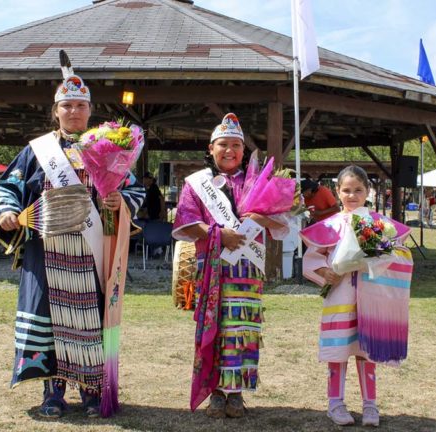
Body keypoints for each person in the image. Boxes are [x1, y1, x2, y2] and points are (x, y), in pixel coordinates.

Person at [0, 52, 145, 419]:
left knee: (89, 321)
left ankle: (91, 392)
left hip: (92, 253)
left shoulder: (106, 148)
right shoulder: (37, 151)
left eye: (80, 105)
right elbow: (8, 185)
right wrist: (8, 212)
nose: (73, 111)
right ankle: (53, 393)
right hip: (47, 252)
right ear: (55, 110)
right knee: (50, 320)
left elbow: (135, 192)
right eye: (67, 105)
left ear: (90, 110)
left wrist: (117, 200)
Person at [172, 113, 288, 419]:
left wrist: (259, 219)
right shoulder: (197, 184)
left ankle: (236, 392)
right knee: (215, 325)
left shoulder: (258, 181)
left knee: (242, 328)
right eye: (223, 144)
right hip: (211, 265)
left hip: (247, 268)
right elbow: (185, 221)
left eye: (236, 145)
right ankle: (215, 392)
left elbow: (279, 222)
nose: (229, 150)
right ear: (211, 148)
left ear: (242, 150)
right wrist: (218, 234)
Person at [300, 165, 413, 427]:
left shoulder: (379, 225)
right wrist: (326, 273)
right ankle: (335, 403)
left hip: (371, 298)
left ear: (368, 191)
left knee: (366, 351)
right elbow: (311, 260)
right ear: (337, 192)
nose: (352, 195)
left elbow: (399, 253)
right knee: (339, 351)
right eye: (347, 190)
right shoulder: (329, 226)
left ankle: (370, 405)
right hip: (339, 297)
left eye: (358, 190)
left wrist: (380, 259)